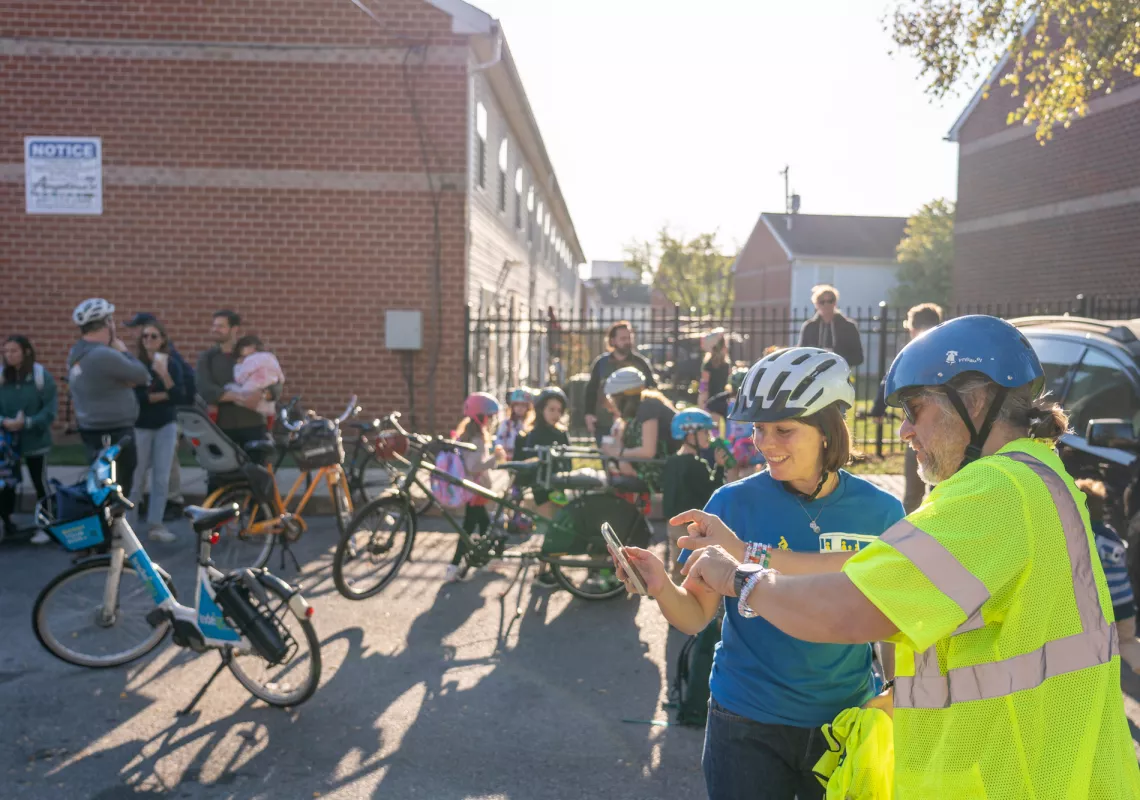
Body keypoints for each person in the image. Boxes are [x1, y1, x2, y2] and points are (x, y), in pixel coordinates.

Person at [675, 316, 1140, 798]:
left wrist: (740, 579)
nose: (903, 432)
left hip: (1013, 772)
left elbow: (849, 610)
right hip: (1050, 764)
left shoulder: (994, 491)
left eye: (915, 410)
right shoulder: (1040, 476)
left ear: (974, 402)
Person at [615, 347, 903, 800]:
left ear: (828, 429)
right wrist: (660, 586)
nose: (765, 444)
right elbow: (694, 616)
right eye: (759, 429)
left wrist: (894, 690)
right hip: (745, 721)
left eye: (784, 430)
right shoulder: (731, 503)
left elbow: (893, 616)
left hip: (846, 719)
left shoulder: (882, 511)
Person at [67, 298, 150, 500]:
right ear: (107, 324)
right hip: (113, 434)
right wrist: (123, 351)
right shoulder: (103, 355)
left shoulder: (77, 351)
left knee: (102, 489)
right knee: (116, 495)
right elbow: (142, 376)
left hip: (93, 429)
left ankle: (108, 529)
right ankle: (111, 531)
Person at [870, 302, 943, 513]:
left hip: (917, 431)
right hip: (947, 430)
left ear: (912, 327)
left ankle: (906, 536)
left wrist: (878, 409)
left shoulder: (912, 352)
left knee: (913, 493)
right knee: (941, 489)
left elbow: (889, 380)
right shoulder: (949, 353)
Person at [196, 310, 279, 492]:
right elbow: (206, 389)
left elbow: (275, 383)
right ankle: (216, 519)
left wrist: (262, 395)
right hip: (221, 429)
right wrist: (241, 397)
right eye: (214, 325)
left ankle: (260, 518)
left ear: (234, 329)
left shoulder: (253, 354)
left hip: (255, 426)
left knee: (259, 480)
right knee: (219, 480)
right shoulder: (208, 358)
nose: (215, 329)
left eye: (220, 326)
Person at [124, 312, 193, 520]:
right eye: (145, 336)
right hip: (142, 425)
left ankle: (157, 524)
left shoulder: (171, 363)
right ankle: (130, 524)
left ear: (162, 339)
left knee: (161, 477)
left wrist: (164, 374)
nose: (148, 340)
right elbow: (137, 397)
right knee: (137, 476)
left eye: (153, 336)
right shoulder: (135, 364)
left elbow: (179, 395)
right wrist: (162, 395)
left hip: (166, 424)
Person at [1077, 478, 1140, 672]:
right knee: (1127, 641)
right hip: (1126, 604)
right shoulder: (1111, 534)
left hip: (1105, 607)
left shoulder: (1087, 538)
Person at [0, 336, 58, 543]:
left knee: (39, 482)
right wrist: (4, 421)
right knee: (7, 482)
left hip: (35, 440)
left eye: (13, 351)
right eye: (6, 351)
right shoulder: (2, 376)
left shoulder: (41, 377)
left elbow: (50, 410)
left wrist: (28, 422)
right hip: (6, 442)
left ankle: (48, 525)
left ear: (25, 352)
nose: (9, 355)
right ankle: (7, 523)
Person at [515, 387, 572, 588]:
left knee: (556, 530)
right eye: (551, 409)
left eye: (559, 410)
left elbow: (569, 463)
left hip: (558, 488)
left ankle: (552, 569)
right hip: (543, 489)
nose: (556, 414)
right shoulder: (534, 434)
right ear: (541, 410)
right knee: (550, 530)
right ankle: (542, 573)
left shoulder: (561, 433)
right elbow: (530, 463)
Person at [446, 392, 505, 583]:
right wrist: (494, 459)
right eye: (490, 417)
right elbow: (473, 466)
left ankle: (489, 558)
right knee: (472, 529)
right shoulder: (477, 439)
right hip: (476, 490)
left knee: (482, 526)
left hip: (473, 490)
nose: (491, 421)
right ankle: (455, 566)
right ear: (481, 417)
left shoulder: (467, 434)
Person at [663, 408, 727, 580]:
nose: (709, 436)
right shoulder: (697, 465)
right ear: (690, 435)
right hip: (692, 527)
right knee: (693, 568)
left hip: (672, 524)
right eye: (705, 432)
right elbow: (712, 492)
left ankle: (673, 598)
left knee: (677, 566)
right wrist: (719, 467)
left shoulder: (670, 462)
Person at [599, 366, 676, 491]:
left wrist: (618, 453)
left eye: (614, 399)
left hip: (666, 471)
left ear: (624, 397)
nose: (613, 403)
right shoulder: (637, 411)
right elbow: (622, 440)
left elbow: (648, 451)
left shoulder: (648, 407)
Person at [583, 320, 657, 444]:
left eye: (629, 338)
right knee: (608, 459)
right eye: (623, 338)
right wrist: (589, 414)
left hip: (634, 423)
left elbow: (652, 389)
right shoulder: (601, 364)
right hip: (604, 422)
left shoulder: (640, 363)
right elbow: (591, 390)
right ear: (612, 341)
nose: (627, 342)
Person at [798, 284, 863, 368]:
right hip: (814, 374)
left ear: (835, 302)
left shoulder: (849, 326)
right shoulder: (809, 326)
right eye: (822, 301)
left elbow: (858, 357)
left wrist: (836, 360)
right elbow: (801, 354)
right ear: (816, 303)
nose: (826, 304)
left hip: (839, 373)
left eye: (830, 301)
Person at [226, 335, 285, 422]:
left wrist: (238, 366)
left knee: (229, 387)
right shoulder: (270, 357)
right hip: (268, 404)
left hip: (251, 393)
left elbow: (240, 378)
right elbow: (280, 377)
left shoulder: (250, 360)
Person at [494, 387, 535, 459]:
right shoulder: (506, 424)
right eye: (517, 405)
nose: (520, 408)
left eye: (523, 405)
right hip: (509, 459)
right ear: (512, 406)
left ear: (528, 407)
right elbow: (499, 442)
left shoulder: (531, 424)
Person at [698, 329, 732, 408]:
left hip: (710, 399)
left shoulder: (708, 364)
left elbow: (704, 382)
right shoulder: (726, 364)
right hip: (723, 398)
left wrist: (701, 394)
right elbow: (728, 381)